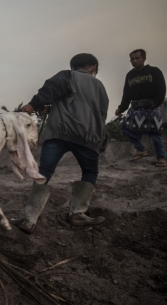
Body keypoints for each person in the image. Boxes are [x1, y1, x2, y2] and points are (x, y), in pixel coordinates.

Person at [11, 53, 108, 234]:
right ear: (93, 67)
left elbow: (51, 88)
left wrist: (33, 105)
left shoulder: (68, 75)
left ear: (73, 66)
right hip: (88, 137)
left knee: (45, 172)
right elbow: (99, 114)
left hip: (59, 133)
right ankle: (78, 214)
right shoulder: (100, 87)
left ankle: (29, 219)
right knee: (90, 171)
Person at [115, 49, 166, 167]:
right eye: (132, 59)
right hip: (136, 106)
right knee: (126, 128)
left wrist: (156, 102)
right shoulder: (130, 75)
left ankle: (161, 157)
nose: (134, 61)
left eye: (137, 58)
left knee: (155, 133)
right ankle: (141, 149)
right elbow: (126, 93)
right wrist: (121, 108)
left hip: (151, 105)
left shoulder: (154, 71)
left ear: (144, 58)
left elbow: (162, 88)